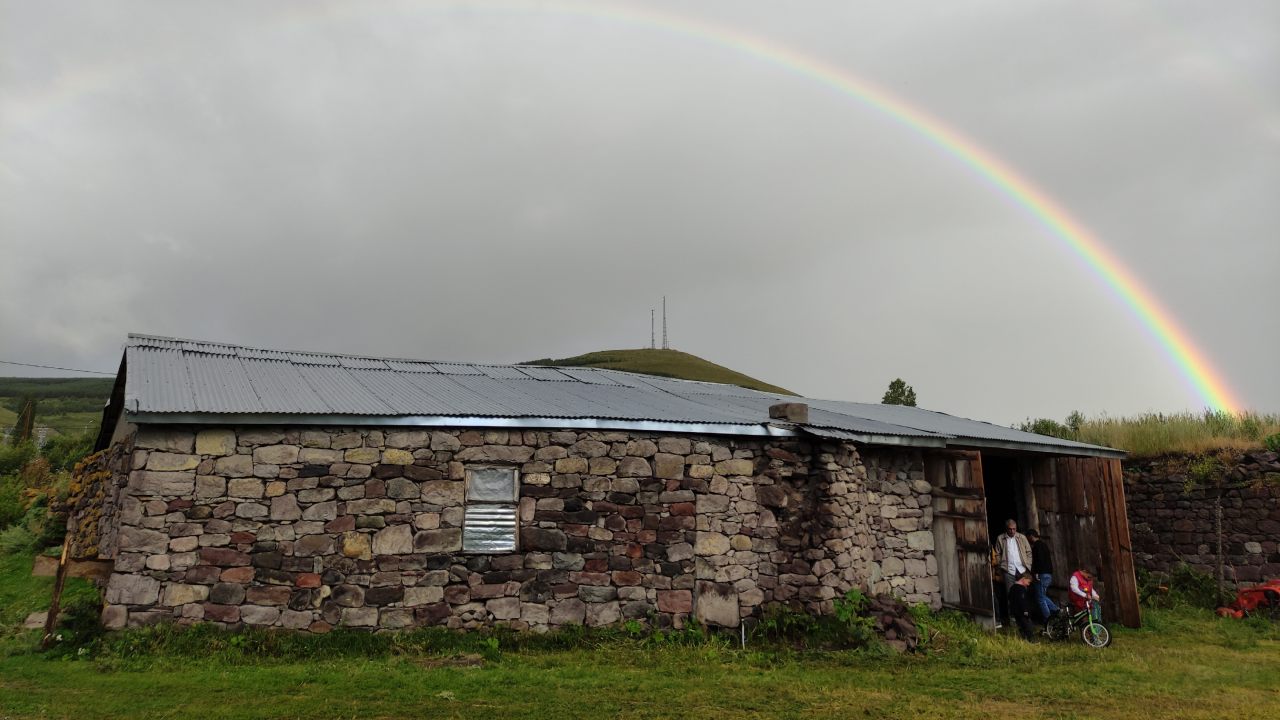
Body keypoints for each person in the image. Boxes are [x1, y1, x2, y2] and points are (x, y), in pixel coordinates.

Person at [993, 519, 1033, 604]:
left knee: (1024, 593)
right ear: (1006, 529)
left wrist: (1028, 564)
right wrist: (1001, 565)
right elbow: (997, 554)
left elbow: (1029, 552)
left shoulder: (1022, 537)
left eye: (1014, 529)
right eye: (1010, 529)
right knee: (1010, 594)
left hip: (1022, 570)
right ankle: (1013, 616)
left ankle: (1025, 614)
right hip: (1008, 571)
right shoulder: (1000, 538)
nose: (1012, 531)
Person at [1025, 529, 1059, 621]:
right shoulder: (1044, 545)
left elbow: (1039, 560)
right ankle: (1056, 610)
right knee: (1042, 596)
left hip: (1042, 574)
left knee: (1040, 598)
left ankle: (1049, 619)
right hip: (1048, 574)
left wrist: (1036, 572)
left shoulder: (1037, 546)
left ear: (1031, 536)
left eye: (1028, 538)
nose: (1027, 540)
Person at [1006, 572, 1037, 640]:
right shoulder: (1021, 589)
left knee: (1021, 626)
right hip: (1022, 612)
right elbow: (1022, 601)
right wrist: (1025, 611)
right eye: (1028, 582)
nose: (1028, 584)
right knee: (1028, 625)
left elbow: (1009, 597)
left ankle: (1024, 638)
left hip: (1015, 611)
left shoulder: (1012, 587)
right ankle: (1031, 640)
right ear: (1023, 579)